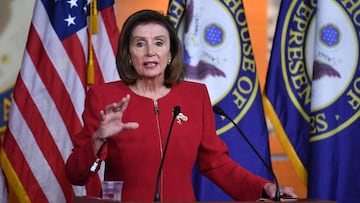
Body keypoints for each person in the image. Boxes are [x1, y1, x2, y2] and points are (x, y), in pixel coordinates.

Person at [65, 9, 297, 201]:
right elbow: (75, 175)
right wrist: (98, 139)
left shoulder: (194, 97)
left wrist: (263, 187)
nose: (150, 52)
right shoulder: (104, 97)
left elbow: (216, 164)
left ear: (171, 53)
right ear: (127, 54)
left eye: (158, 43)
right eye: (139, 44)